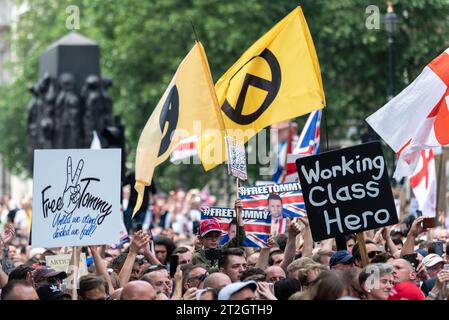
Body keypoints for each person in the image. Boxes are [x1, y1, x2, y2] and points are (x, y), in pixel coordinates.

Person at [192, 199, 245, 271]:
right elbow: (205, 273)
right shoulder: (197, 256)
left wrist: (239, 214)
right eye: (209, 237)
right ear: (200, 239)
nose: (214, 240)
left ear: (220, 237)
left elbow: (240, 237)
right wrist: (225, 266)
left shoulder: (222, 249)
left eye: (216, 236)